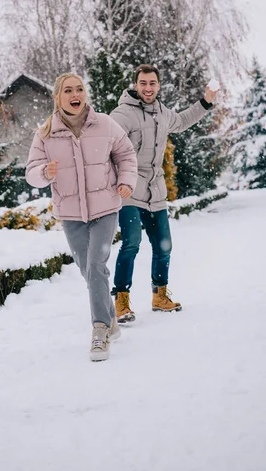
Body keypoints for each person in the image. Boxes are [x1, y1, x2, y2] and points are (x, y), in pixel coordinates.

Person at [26, 73, 137, 362]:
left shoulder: (104, 124)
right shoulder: (45, 133)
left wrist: (126, 181)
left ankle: (99, 329)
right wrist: (43, 173)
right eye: (68, 90)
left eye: (79, 89)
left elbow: (126, 154)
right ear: (57, 97)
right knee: (89, 270)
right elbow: (31, 172)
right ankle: (111, 318)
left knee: (97, 263)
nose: (75, 94)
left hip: (105, 207)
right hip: (71, 213)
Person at [110, 64, 219, 322]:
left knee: (163, 247)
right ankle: (121, 301)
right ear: (135, 85)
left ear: (159, 86)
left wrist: (206, 102)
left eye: (152, 83)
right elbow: (107, 145)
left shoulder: (162, 112)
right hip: (129, 191)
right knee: (131, 244)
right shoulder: (122, 114)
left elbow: (182, 121)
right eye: (143, 83)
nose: (148, 88)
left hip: (156, 192)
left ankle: (159, 296)